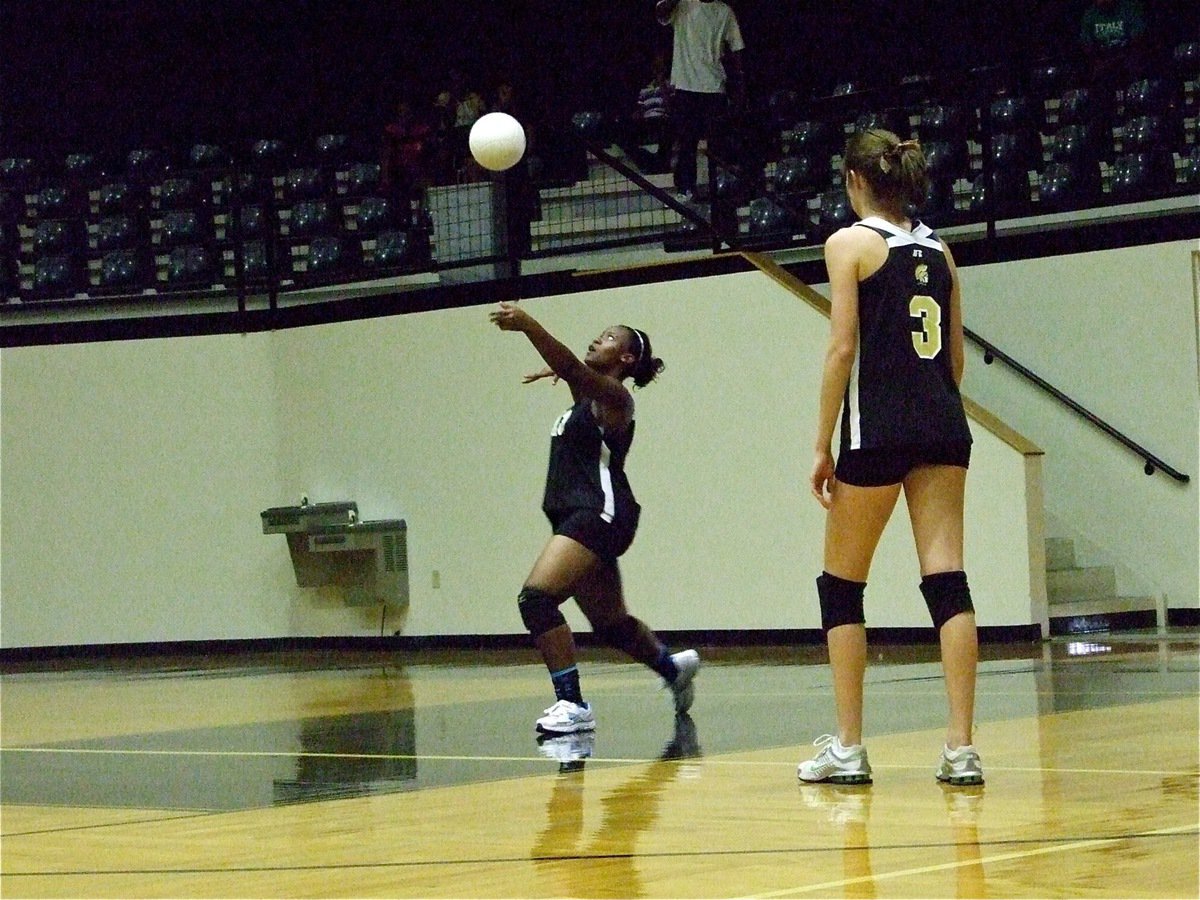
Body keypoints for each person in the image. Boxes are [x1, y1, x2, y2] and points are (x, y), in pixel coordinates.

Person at [797, 129, 983, 788]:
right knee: (947, 580)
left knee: (841, 587)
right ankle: (961, 750)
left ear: (854, 179)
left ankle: (849, 749)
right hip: (944, 426)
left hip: (875, 431)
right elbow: (955, 359)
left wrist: (821, 443)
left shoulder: (849, 243)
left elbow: (841, 349)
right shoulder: (941, 249)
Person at [489, 301, 699, 736]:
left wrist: (529, 325)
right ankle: (672, 667)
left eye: (608, 338)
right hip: (583, 515)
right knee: (611, 625)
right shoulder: (588, 400)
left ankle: (572, 704)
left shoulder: (616, 398)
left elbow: (570, 365)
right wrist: (561, 371)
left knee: (537, 599)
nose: (596, 340)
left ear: (625, 359)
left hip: (599, 514)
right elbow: (570, 371)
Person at [655, 0, 745, 202]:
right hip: (686, 86)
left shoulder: (724, 11)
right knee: (687, 141)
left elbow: (737, 49)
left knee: (718, 144)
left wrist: (739, 86)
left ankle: (719, 190)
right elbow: (661, 13)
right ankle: (686, 188)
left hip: (714, 85)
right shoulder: (682, 6)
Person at [1079, 0, 1149, 95]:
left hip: (1125, 57)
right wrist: (1099, 60)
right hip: (1102, 59)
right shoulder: (1090, 14)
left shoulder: (1128, 9)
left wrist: (1117, 58)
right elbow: (1086, 44)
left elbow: (1137, 39)